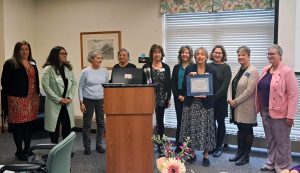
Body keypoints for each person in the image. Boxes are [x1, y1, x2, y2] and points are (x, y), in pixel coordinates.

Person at [257, 45, 298, 173]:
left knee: (282, 141)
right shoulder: (265, 69)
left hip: (281, 113)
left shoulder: (287, 71)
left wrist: (290, 115)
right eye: (268, 54)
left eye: (272, 54)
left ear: (280, 55)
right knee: (270, 139)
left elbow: (293, 94)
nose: (269, 56)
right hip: (265, 110)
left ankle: (283, 166)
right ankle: (271, 162)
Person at [1, 41, 40, 161]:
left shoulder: (32, 63)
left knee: (29, 126)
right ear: (17, 51)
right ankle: (19, 150)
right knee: (19, 127)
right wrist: (15, 94)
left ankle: (27, 149)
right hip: (17, 101)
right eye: (22, 49)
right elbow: (4, 83)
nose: (24, 52)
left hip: (32, 99)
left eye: (27, 49)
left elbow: (35, 80)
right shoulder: (10, 63)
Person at [179, 47, 217, 167]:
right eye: (197, 54)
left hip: (205, 105)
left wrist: (207, 93)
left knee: (205, 129)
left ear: (206, 57)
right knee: (191, 128)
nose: (200, 56)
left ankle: (206, 155)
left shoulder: (212, 70)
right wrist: (189, 76)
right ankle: (192, 154)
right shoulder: (189, 68)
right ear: (194, 57)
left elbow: (214, 88)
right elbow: (184, 86)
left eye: (202, 54)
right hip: (191, 104)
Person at [227, 46, 259, 166]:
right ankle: (239, 152)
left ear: (249, 56)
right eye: (239, 55)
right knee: (240, 129)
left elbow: (249, 90)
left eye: (243, 55)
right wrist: (229, 98)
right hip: (235, 105)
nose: (240, 57)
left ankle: (246, 155)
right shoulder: (237, 69)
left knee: (247, 129)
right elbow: (231, 85)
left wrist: (235, 101)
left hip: (246, 107)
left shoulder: (253, 71)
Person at [42, 46, 77, 144]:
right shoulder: (48, 69)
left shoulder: (68, 68)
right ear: (55, 55)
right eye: (62, 53)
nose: (65, 55)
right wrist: (58, 99)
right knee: (54, 128)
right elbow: (45, 86)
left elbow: (74, 83)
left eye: (66, 53)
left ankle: (65, 150)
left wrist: (69, 97)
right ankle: (54, 149)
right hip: (54, 103)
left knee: (67, 127)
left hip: (67, 103)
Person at [142, 44, 171, 155]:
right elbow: (142, 83)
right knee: (146, 121)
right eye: (155, 52)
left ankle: (160, 144)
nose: (157, 54)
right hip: (148, 97)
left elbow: (168, 84)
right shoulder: (146, 67)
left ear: (162, 54)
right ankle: (146, 143)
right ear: (152, 54)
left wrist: (168, 98)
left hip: (161, 98)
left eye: (159, 52)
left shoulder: (166, 67)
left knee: (160, 122)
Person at [78, 50, 109, 155]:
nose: (100, 60)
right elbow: (80, 87)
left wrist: (107, 101)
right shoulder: (85, 71)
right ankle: (87, 146)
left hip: (101, 100)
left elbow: (107, 87)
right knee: (87, 124)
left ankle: (99, 145)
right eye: (98, 58)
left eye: (101, 58)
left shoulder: (105, 71)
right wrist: (81, 102)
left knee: (101, 123)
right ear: (91, 59)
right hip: (88, 100)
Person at [208, 45, 232, 157]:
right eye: (215, 52)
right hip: (208, 100)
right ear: (212, 54)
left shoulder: (226, 67)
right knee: (211, 123)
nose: (217, 54)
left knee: (220, 123)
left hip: (220, 100)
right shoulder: (208, 66)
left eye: (219, 53)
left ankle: (219, 146)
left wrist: (214, 97)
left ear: (223, 55)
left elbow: (225, 85)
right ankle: (212, 145)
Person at [171, 45, 193, 153]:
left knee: (188, 122)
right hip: (177, 96)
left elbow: (194, 84)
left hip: (189, 97)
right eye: (182, 52)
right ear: (180, 54)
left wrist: (185, 96)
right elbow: (173, 83)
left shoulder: (193, 67)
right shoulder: (176, 67)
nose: (184, 54)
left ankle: (187, 145)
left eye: (187, 52)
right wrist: (178, 95)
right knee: (180, 121)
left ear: (190, 54)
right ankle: (179, 144)